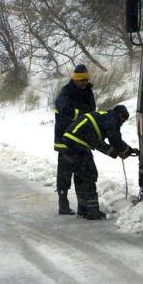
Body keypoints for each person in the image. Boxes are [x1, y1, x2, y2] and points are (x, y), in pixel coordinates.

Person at [56, 105, 139, 220]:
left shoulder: (102, 117)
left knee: (81, 176)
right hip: (79, 143)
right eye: (123, 120)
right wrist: (125, 150)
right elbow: (115, 140)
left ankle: (83, 209)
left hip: (70, 142)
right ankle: (92, 211)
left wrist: (122, 151)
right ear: (119, 115)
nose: (122, 123)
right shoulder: (112, 119)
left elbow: (98, 143)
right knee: (89, 175)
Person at [53, 64, 96, 215]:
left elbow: (92, 110)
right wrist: (81, 114)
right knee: (64, 175)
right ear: (75, 79)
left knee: (82, 173)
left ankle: (83, 207)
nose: (83, 83)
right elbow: (63, 109)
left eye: (85, 79)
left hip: (82, 140)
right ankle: (63, 203)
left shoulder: (88, 91)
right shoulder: (66, 92)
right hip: (65, 141)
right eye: (81, 80)